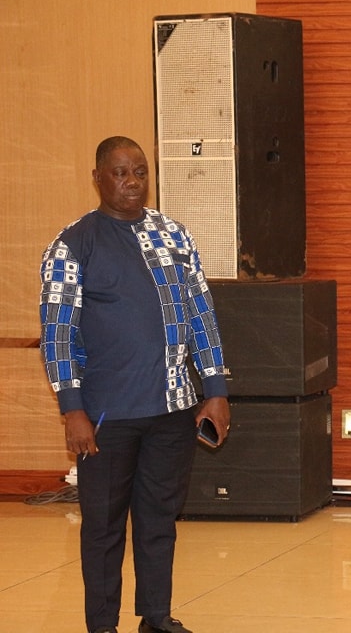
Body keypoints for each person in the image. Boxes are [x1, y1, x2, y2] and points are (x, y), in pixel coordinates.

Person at [39, 136, 231, 633]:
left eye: (140, 172)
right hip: (105, 417)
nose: (132, 182)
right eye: (120, 172)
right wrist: (72, 408)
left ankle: (156, 616)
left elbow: (201, 314)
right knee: (103, 528)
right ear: (98, 178)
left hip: (172, 409)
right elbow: (57, 335)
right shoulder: (73, 244)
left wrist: (215, 389)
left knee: (159, 520)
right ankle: (103, 624)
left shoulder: (174, 235)